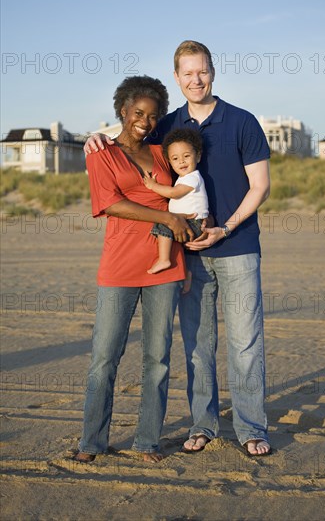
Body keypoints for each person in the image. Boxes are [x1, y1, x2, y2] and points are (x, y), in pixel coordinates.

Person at [84, 40, 272, 457]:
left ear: (213, 71)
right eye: (187, 73)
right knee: (197, 345)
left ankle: (251, 427)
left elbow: (260, 186)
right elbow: (124, 142)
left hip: (237, 246)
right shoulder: (165, 126)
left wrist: (225, 228)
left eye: (202, 71)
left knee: (244, 343)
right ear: (177, 77)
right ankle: (204, 425)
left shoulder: (242, 122)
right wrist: (91, 138)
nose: (196, 79)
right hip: (188, 254)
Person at [74, 75, 196, 465]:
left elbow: (184, 199)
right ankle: (91, 442)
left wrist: (186, 254)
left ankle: (147, 442)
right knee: (104, 357)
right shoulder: (101, 152)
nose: (144, 120)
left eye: (152, 114)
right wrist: (162, 215)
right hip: (120, 265)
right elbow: (110, 203)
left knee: (158, 358)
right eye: (137, 112)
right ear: (122, 111)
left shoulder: (163, 153)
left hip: (166, 266)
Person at [143, 128, 209, 286]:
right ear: (170, 162)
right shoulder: (184, 177)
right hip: (189, 222)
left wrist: (153, 186)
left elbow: (174, 193)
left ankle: (164, 260)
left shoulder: (193, 178)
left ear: (198, 156)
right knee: (177, 247)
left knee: (163, 225)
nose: (182, 162)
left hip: (195, 223)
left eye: (187, 156)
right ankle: (185, 274)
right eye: (175, 158)